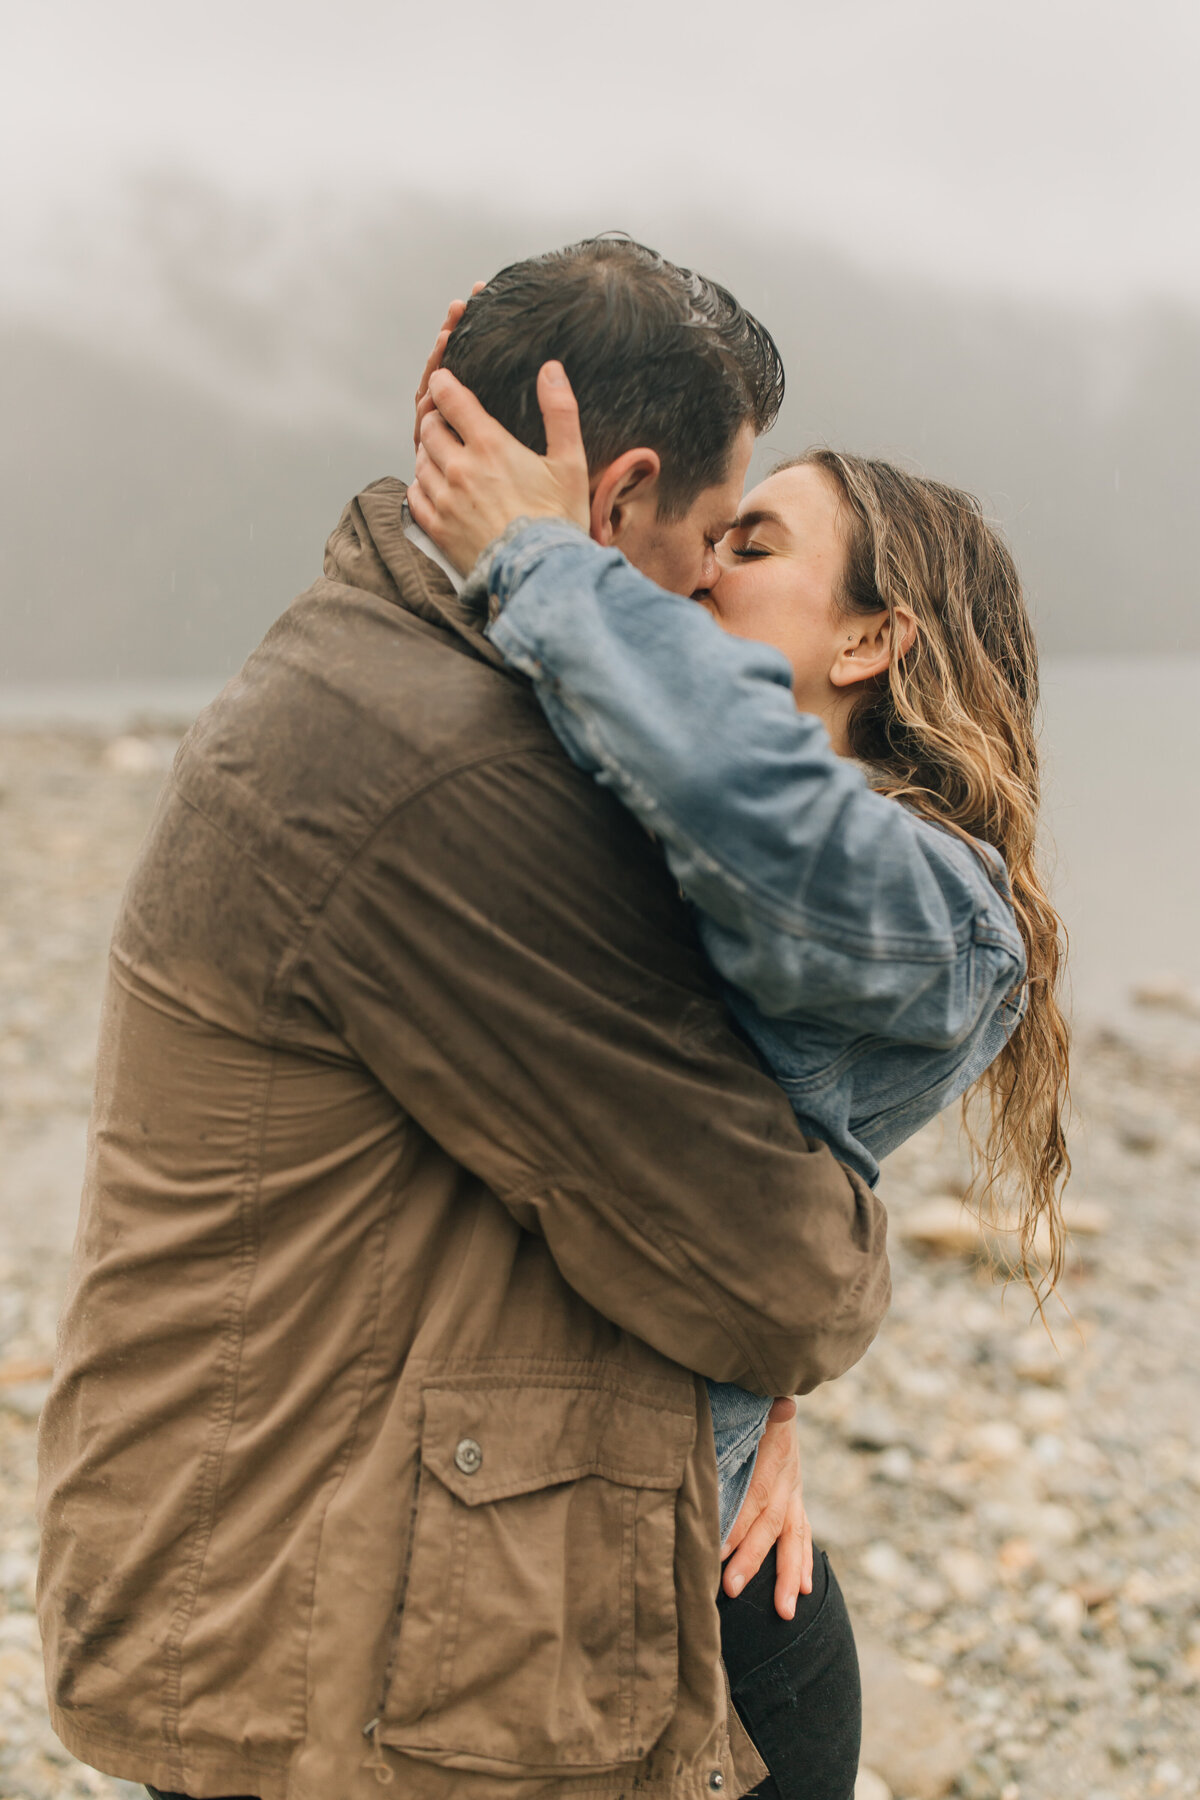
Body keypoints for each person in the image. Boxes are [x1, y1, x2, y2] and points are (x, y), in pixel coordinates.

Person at [36, 238, 890, 1800]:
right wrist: (810, 1312)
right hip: (297, 1621)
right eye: (706, 535)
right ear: (613, 494)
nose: (709, 587)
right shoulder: (439, 763)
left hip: (294, 1541)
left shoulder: (402, 669)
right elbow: (773, 1268)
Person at [406, 339, 1072, 1797]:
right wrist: (497, 403)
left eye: (753, 544)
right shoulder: (639, 803)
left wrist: (532, 556)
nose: (704, 563)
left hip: (708, 1620)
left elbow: (766, 841)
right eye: (713, 529)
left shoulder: (948, 913)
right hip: (524, 1539)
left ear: (866, 643)